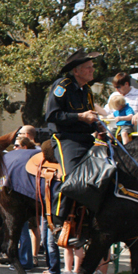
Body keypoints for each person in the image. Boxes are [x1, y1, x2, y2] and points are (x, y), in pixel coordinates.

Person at [44, 49, 108, 237]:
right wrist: (81, 116)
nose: (92, 70)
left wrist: (98, 126)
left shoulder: (87, 91)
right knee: (72, 176)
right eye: (88, 68)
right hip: (65, 138)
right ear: (76, 71)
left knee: (104, 170)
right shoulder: (61, 86)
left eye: (92, 67)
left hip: (86, 138)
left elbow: (89, 116)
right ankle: (57, 219)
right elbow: (52, 115)